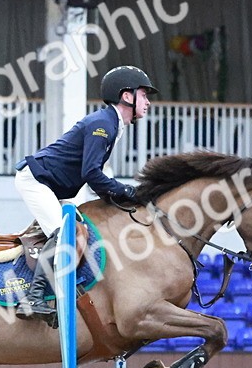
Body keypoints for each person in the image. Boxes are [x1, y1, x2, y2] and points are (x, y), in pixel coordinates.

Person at [13, 65, 156, 324]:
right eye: (144, 95)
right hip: (37, 181)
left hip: (55, 185)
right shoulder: (103, 125)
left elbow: (95, 179)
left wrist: (120, 196)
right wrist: (126, 190)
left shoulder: (112, 124)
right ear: (127, 96)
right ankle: (33, 298)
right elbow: (91, 173)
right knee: (63, 234)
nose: (147, 102)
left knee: (82, 231)